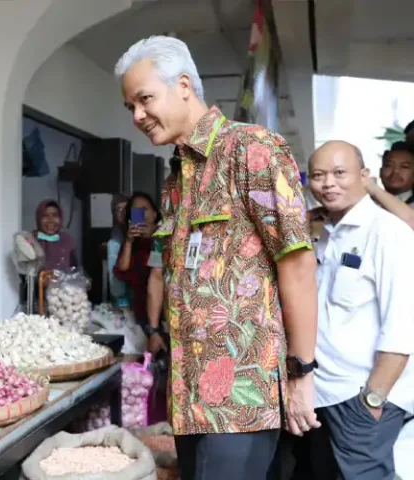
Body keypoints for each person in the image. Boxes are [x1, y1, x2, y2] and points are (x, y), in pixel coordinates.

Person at [114, 36, 319, 479]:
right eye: (130, 106)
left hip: (241, 398)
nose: (138, 116)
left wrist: (302, 373)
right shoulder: (175, 178)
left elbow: (297, 263)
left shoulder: (251, 150)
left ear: (183, 84)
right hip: (189, 394)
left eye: (145, 99)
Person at [304, 140, 413, 480]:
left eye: (340, 173)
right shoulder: (324, 233)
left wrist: (373, 400)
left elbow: (403, 325)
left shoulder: (387, 232)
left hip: (361, 396)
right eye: (318, 175)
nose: (328, 183)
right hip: (322, 394)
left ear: (364, 176)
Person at [113, 192, 164, 344]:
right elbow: (122, 269)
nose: (141, 214)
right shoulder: (131, 243)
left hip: (163, 306)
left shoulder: (165, 236)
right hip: (140, 309)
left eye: (145, 209)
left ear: (155, 214)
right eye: (136, 211)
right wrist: (129, 241)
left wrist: (157, 234)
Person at [366, 141, 414, 228]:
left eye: (404, 166)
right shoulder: (367, 202)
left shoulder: (375, 192)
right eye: (389, 165)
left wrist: (375, 190)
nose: (395, 171)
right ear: (380, 172)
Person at [34, 199, 78, 271]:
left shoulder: (67, 240)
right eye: (45, 216)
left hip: (64, 282)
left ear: (60, 218)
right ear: (39, 218)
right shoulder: (31, 241)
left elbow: (74, 270)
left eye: (55, 215)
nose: (50, 220)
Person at [107, 194, 130, 306]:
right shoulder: (116, 237)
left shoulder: (143, 229)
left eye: (126, 208)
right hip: (123, 292)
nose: (122, 212)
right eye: (118, 210)